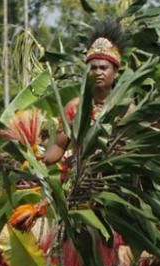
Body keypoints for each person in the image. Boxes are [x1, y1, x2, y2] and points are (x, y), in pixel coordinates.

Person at [44, 18, 128, 165]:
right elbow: (57, 146)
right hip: (80, 181)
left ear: (115, 71)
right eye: (93, 68)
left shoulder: (125, 108)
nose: (97, 72)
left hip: (116, 182)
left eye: (103, 68)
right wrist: (34, 159)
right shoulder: (74, 107)